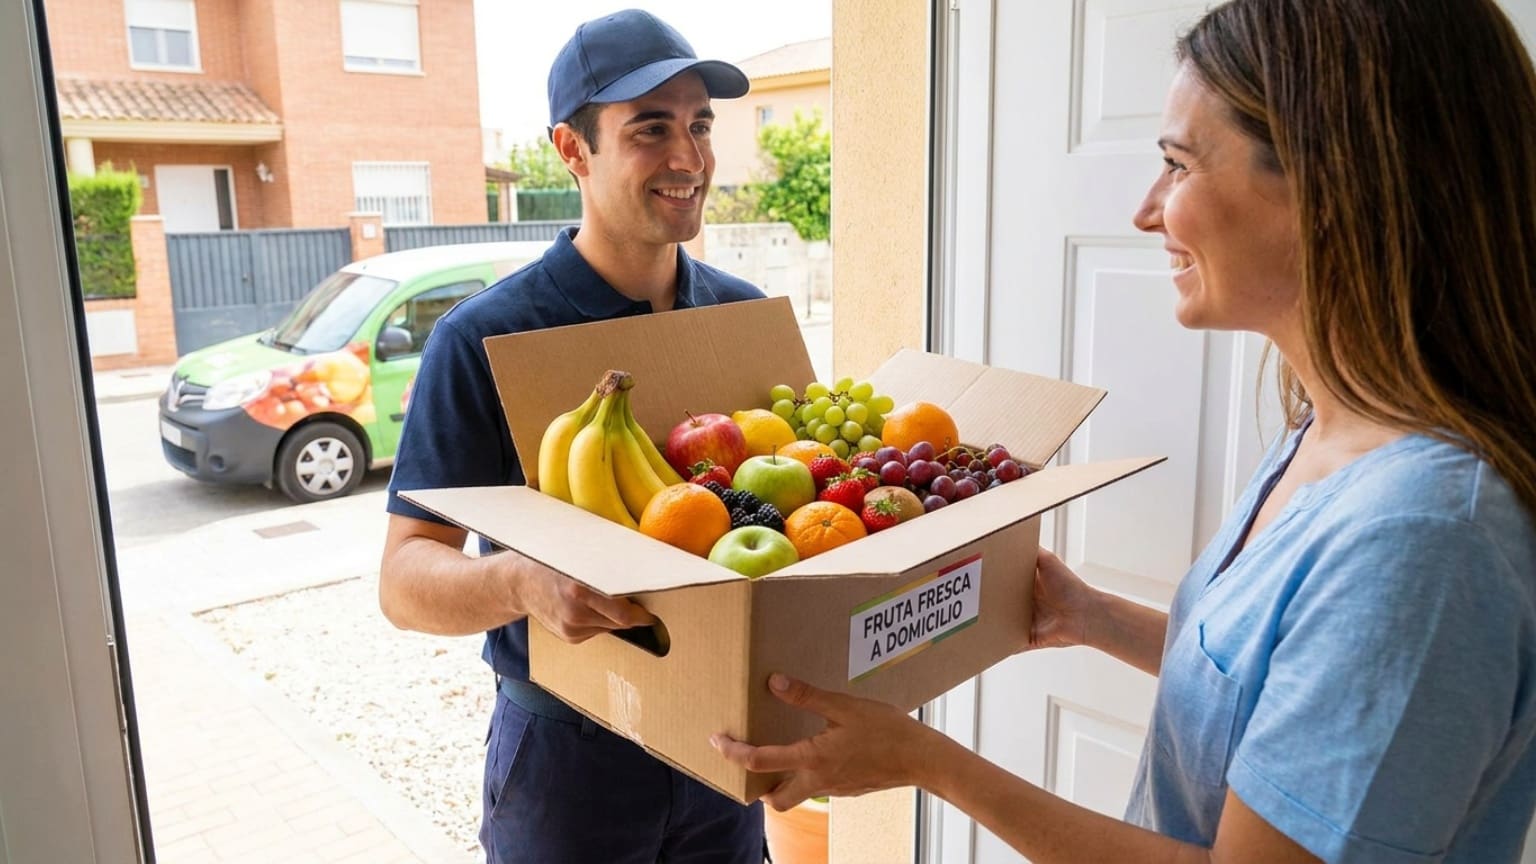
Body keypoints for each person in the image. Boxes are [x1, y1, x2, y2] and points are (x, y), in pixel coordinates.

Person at [712, 0, 1536, 860]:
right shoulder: (1327, 432)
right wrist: (1092, 617)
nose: (1147, 212)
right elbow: (1270, 690)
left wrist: (928, 762)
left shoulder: (1422, 540)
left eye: (1178, 165)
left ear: (1330, 187)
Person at [379, 9, 768, 862]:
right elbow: (404, 581)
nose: (689, 158)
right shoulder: (487, 338)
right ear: (572, 150)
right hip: (570, 766)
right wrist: (518, 581)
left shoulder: (741, 319)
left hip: (722, 746)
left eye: (701, 125)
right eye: (651, 129)